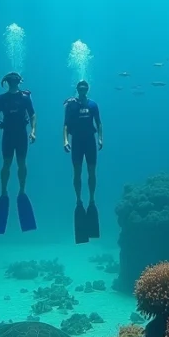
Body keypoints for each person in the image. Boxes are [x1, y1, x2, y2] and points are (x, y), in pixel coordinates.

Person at [0, 72, 37, 233]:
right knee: (7, 164)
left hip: (21, 134)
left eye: (15, 80)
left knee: (21, 163)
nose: (14, 83)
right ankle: (4, 191)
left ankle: (21, 190)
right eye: (11, 81)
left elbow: (33, 115)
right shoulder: (1, 99)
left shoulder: (25, 98)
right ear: (7, 82)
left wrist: (33, 131)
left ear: (18, 82)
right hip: (8, 135)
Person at [63, 80, 103, 244]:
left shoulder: (93, 105)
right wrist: (65, 140)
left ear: (88, 89)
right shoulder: (71, 105)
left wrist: (100, 139)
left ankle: (91, 200)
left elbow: (99, 123)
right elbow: (66, 125)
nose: (82, 90)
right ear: (77, 89)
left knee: (92, 172)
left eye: (85, 88)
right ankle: (79, 200)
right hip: (77, 143)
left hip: (90, 142)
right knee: (77, 172)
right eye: (80, 88)